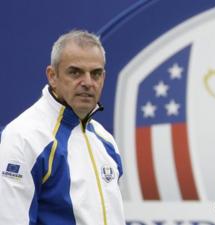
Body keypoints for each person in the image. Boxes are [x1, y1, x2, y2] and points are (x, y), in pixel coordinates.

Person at [0, 30, 125, 224]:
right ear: (52, 76)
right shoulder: (22, 137)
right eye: (75, 72)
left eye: (96, 74)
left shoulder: (105, 140)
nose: (87, 83)